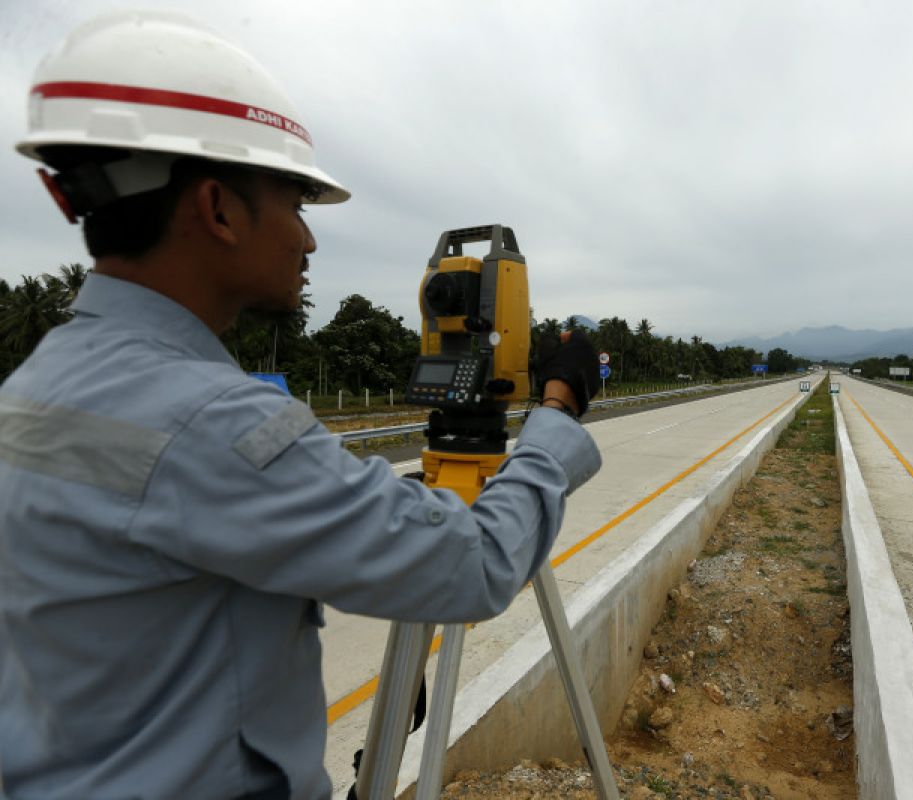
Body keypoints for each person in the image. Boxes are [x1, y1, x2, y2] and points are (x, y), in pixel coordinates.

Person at [0, 10, 600, 799]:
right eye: (297, 203)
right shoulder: (220, 424)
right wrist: (557, 407)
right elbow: (476, 564)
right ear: (217, 209)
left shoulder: (33, 387)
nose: (308, 241)